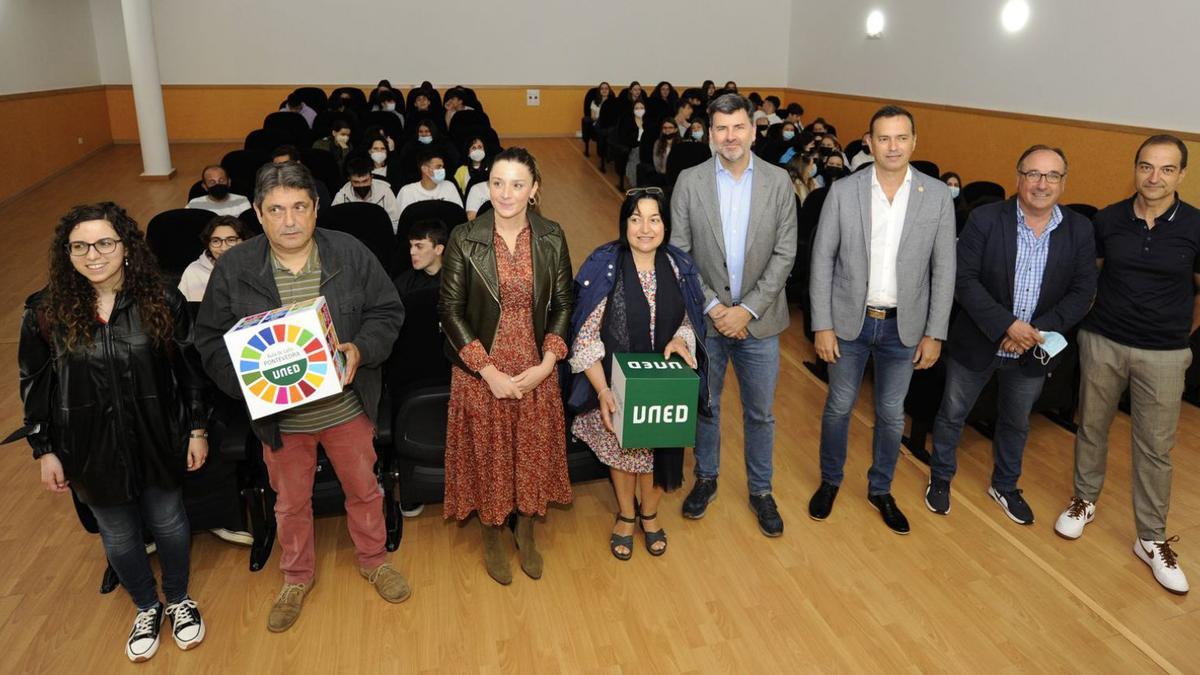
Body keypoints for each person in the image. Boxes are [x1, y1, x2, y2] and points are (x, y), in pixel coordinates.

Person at [195, 162, 409, 632]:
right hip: (281, 420)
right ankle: (296, 577)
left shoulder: (350, 252)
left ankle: (374, 559)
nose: (288, 220)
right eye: (276, 210)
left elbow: (387, 312)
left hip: (346, 407)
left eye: (298, 207)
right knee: (290, 503)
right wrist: (248, 384)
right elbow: (208, 340)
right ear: (257, 212)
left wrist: (361, 348)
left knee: (365, 489)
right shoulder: (234, 268)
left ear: (315, 209)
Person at [19, 202, 210, 661]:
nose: (93, 254)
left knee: (168, 520)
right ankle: (147, 605)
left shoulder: (163, 298)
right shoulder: (45, 312)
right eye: (80, 246)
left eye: (105, 242)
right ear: (67, 253)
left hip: (158, 433)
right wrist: (44, 449)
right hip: (87, 446)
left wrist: (198, 428)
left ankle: (180, 600)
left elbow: (190, 373)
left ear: (126, 247)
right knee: (119, 535)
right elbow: (35, 383)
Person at [1053, 134, 1198, 595]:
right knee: (1092, 427)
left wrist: (1183, 335)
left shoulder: (1196, 225)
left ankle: (1151, 538)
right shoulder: (1108, 219)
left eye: (1166, 169)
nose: (1154, 178)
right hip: (1104, 341)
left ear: (1182, 174)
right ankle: (1083, 500)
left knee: (1155, 448)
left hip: (1165, 352)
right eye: (1145, 167)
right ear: (1134, 169)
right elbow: (1087, 274)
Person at [926, 146, 1097, 524]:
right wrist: (1007, 325)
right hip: (978, 340)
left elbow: (1083, 292)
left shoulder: (1079, 229)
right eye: (1033, 174)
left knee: (1017, 421)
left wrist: (1032, 333)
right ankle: (940, 478)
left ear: (1063, 183)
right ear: (1018, 177)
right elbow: (964, 280)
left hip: (1033, 348)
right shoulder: (985, 219)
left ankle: (1005, 484)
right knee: (953, 413)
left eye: (1052, 176)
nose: (1042, 183)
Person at [808, 105, 956, 535]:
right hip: (848, 323)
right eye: (883, 138)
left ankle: (880, 489)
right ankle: (830, 481)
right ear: (868, 143)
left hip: (903, 328)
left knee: (892, 414)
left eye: (901, 137)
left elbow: (944, 270)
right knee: (838, 406)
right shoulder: (844, 191)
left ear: (914, 142)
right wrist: (822, 324)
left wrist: (935, 333)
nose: (892, 146)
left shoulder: (936, 196)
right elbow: (822, 260)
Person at [438, 147, 573, 585]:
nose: (506, 193)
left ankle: (527, 532)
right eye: (498, 183)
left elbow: (564, 304)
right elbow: (450, 310)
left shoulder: (551, 235)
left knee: (530, 455)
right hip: (482, 369)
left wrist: (548, 361)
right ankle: (493, 534)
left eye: (518, 184)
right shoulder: (465, 236)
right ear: (487, 186)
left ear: (534, 190)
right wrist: (488, 372)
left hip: (535, 366)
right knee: (491, 457)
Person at [669, 93, 797, 537]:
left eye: (738, 127)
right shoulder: (690, 181)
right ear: (709, 134)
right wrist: (715, 309)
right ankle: (706, 478)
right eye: (721, 128)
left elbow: (785, 255)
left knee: (760, 412)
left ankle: (761, 490)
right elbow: (681, 253)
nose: (730, 137)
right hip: (707, 321)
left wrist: (746, 310)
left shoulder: (779, 182)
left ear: (753, 130)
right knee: (707, 405)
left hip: (760, 322)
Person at [568, 188, 708, 559]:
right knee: (624, 454)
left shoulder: (680, 267)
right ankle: (627, 514)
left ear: (666, 224)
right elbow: (584, 333)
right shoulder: (604, 265)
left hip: (664, 386)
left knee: (660, 446)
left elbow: (691, 321)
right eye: (635, 219)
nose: (645, 228)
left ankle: (650, 514)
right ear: (624, 223)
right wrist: (602, 391)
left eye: (654, 218)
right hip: (613, 381)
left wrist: (680, 340)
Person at [178, 214, 251, 302]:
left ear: (244, 241)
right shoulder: (194, 271)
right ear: (208, 244)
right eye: (216, 241)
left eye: (231, 240)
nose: (223, 248)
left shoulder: (258, 267)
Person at [332, 157, 402, 232]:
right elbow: (333, 224)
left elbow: (395, 222)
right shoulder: (341, 196)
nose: (361, 185)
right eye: (356, 182)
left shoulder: (385, 192)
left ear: (371, 177)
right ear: (349, 180)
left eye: (365, 181)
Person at [397, 150, 464, 216]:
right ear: (424, 169)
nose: (442, 170)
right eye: (438, 167)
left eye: (442, 167)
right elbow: (401, 221)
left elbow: (459, 215)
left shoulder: (449, 186)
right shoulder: (407, 191)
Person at [392, 219, 447, 296]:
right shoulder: (403, 283)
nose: (412, 252)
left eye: (419, 246)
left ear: (438, 249)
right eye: (411, 246)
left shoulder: (458, 279)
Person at [582, 81, 615, 158]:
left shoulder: (613, 102)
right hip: (598, 123)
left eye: (606, 88)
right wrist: (602, 117)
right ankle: (602, 153)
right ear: (599, 91)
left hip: (609, 124)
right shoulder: (595, 102)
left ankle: (609, 152)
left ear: (609, 90)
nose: (604, 90)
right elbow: (593, 117)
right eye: (602, 89)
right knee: (605, 130)